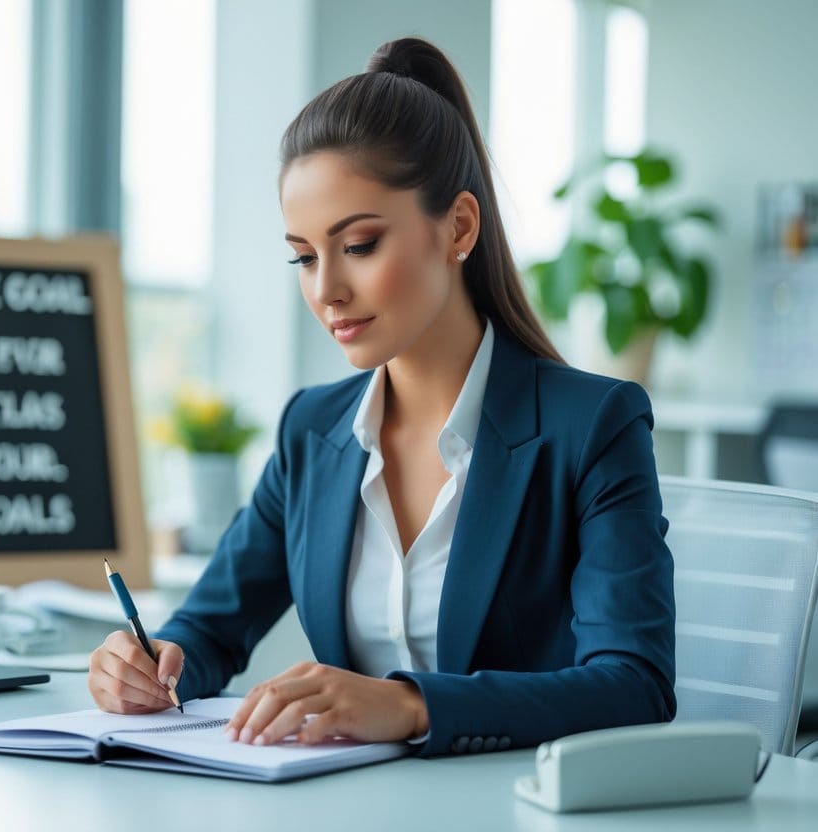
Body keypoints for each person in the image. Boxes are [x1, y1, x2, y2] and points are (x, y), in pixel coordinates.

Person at [88, 36, 675, 757]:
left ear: (457, 227)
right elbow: (207, 631)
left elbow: (633, 686)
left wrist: (409, 706)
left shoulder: (591, 426)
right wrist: (150, 665)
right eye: (303, 256)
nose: (325, 289)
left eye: (359, 245)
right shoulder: (312, 430)